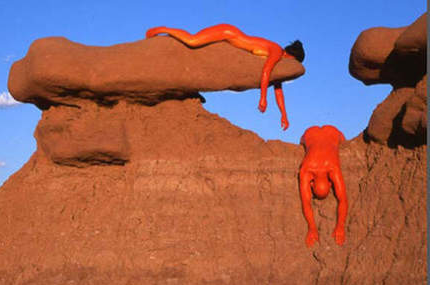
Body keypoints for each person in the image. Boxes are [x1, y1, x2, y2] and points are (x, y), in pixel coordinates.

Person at [145, 24, 304, 130]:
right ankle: (161, 29)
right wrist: (263, 98)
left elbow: (277, 87)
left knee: (194, 43)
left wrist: (283, 114)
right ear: (291, 57)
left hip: (231, 37)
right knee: (193, 41)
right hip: (229, 33)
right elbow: (266, 72)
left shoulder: (279, 60)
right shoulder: (276, 52)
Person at [299, 125, 348, 247]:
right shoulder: (331, 168)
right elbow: (342, 199)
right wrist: (340, 226)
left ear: (311, 182)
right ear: (330, 182)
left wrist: (312, 228)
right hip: (316, 133)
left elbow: (306, 202)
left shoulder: (308, 169)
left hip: (325, 132)